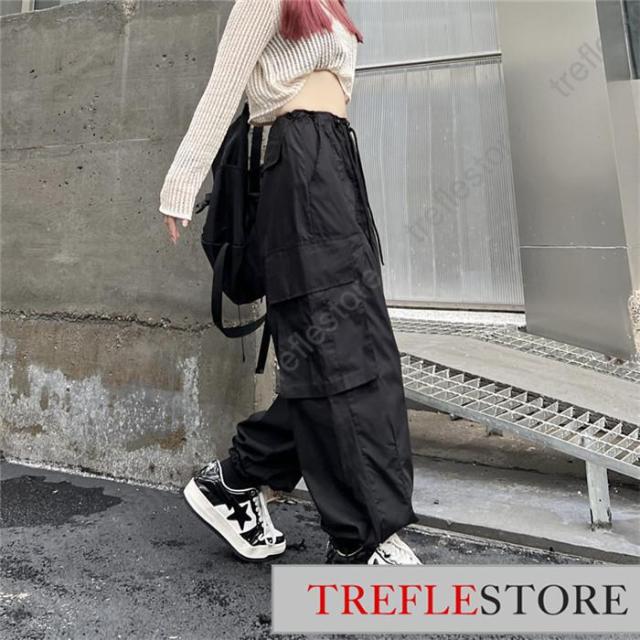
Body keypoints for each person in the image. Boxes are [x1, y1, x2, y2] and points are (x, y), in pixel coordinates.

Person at [159, 0, 419, 565]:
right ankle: (358, 541)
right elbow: (224, 83)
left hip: (335, 159)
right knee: (337, 349)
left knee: (360, 345)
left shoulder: (332, 7)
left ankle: (234, 480)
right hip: (298, 165)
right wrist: (181, 183)